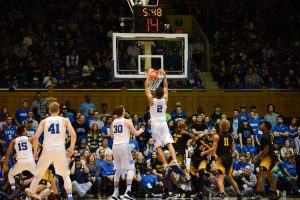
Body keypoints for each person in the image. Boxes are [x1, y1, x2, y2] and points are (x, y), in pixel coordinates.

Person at [25, 101, 77, 200]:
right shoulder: (65, 120)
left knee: (37, 176)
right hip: (60, 149)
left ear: (49, 110)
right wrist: (71, 147)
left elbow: (35, 137)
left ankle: (28, 198)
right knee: (65, 175)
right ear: (59, 110)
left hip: (47, 149)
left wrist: (35, 152)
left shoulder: (44, 121)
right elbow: (74, 135)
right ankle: (70, 197)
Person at [144, 69, 182, 180]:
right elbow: (166, 87)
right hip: (164, 123)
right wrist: (164, 76)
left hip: (155, 124)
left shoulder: (152, 100)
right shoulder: (165, 99)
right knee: (169, 143)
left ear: (155, 93)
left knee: (158, 146)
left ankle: (166, 165)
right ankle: (175, 162)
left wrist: (148, 76)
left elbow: (146, 88)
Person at [201, 119, 242, 200]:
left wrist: (204, 152)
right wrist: (230, 157)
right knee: (230, 177)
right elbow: (233, 151)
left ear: (220, 126)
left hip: (221, 158)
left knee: (220, 177)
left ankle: (223, 194)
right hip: (229, 158)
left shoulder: (217, 136)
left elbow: (213, 149)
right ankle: (239, 195)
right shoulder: (231, 136)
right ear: (228, 127)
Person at [110, 105, 145, 200]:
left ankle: (115, 193)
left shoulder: (113, 122)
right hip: (124, 146)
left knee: (117, 170)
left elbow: (111, 136)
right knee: (130, 168)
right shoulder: (127, 121)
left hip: (115, 146)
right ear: (122, 111)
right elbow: (136, 133)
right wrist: (141, 130)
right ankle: (128, 192)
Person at [248, 121, 280, 200]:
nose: (260, 125)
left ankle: (257, 194)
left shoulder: (266, 136)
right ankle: (275, 194)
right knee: (269, 177)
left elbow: (266, 150)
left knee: (261, 175)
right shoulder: (266, 135)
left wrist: (256, 157)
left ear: (266, 127)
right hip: (271, 157)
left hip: (268, 157)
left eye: (262, 125)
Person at [3, 126, 36, 192]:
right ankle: (37, 190)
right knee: (39, 176)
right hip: (30, 161)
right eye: (25, 130)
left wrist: (5, 164)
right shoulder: (30, 139)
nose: (26, 131)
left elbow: (8, 153)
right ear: (23, 132)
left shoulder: (14, 141)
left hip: (20, 162)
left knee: (10, 174)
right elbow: (39, 145)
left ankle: (13, 189)